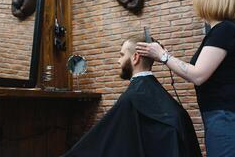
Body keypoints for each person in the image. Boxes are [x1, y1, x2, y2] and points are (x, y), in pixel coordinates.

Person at [136, 0, 235, 157]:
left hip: (230, 118)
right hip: (226, 117)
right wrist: (165, 55)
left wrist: (162, 56)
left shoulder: (224, 30)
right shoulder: (221, 32)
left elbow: (198, 75)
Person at [61, 34, 202, 157]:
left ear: (135, 58)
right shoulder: (166, 102)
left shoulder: (130, 98)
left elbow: (103, 141)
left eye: (122, 55)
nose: (118, 61)